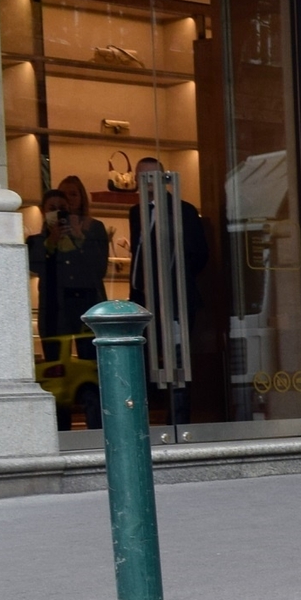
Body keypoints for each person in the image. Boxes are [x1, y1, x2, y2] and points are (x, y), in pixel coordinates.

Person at [126, 156, 210, 422]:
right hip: (144, 297)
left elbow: (199, 253)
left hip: (176, 298)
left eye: (154, 178)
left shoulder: (183, 210)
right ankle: (147, 417)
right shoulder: (135, 212)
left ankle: (179, 419)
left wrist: (176, 276)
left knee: (177, 359)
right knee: (144, 358)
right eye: (143, 178)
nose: (149, 185)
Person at [26, 175, 109, 338]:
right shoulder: (40, 238)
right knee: (56, 356)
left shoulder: (94, 228)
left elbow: (99, 268)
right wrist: (52, 240)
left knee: (89, 353)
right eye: (64, 194)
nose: (68, 201)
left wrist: (80, 238)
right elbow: (35, 265)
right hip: (54, 305)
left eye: (73, 194)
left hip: (87, 300)